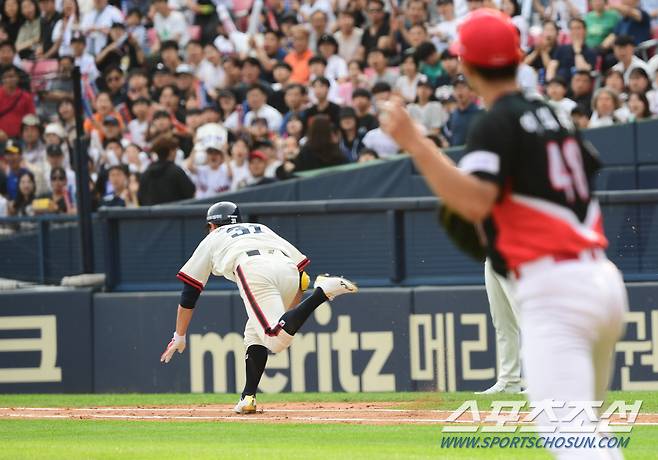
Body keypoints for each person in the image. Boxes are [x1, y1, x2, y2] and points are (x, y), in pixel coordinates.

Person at [379, 10, 627, 458]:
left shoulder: (495, 122)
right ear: (518, 58)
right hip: (602, 280)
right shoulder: (553, 115)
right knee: (588, 433)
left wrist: (416, 144)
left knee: (572, 438)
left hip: (557, 289)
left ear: (466, 66)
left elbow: (474, 202)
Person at [160, 201, 358, 413]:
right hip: (288, 269)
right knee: (254, 334)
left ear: (213, 225)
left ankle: (322, 293)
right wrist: (287, 317)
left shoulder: (213, 238)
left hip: (253, 268)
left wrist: (179, 336)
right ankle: (248, 397)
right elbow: (301, 276)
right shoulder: (261, 229)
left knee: (274, 339)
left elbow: (190, 293)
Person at [137, 135, 195, 205]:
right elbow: (190, 193)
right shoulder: (176, 171)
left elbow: (140, 198)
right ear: (171, 152)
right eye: (175, 150)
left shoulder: (145, 174)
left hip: (152, 215)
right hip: (175, 213)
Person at [0, 66, 35, 139]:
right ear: (2, 79)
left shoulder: (26, 96)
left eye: (12, 76)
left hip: (18, 138)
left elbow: (31, 118)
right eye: (6, 77)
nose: (10, 79)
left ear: (18, 78)